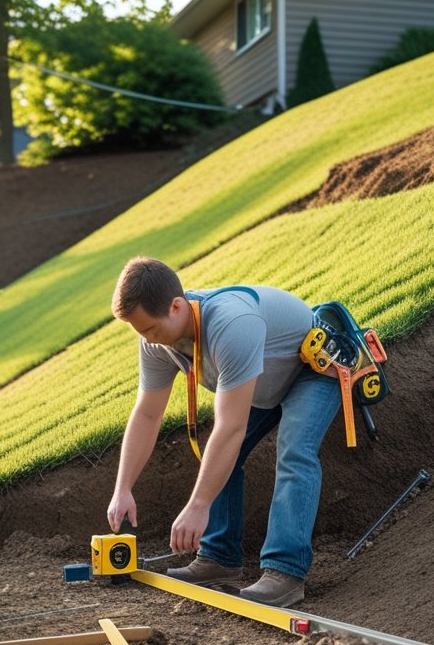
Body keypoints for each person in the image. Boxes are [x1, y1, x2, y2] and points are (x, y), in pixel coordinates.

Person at [106, 256, 341, 607]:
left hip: (313, 368)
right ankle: (218, 560)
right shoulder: (156, 342)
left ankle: (285, 572)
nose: (147, 339)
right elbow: (147, 415)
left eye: (150, 329)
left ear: (176, 306)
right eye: (140, 331)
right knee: (215, 455)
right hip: (265, 381)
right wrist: (122, 488)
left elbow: (231, 428)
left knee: (294, 450)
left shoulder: (232, 323)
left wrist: (199, 505)